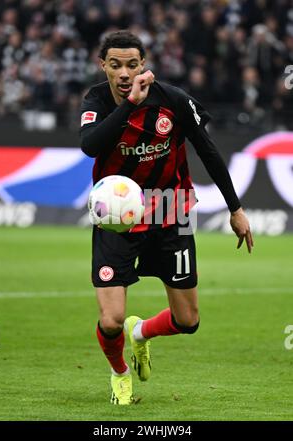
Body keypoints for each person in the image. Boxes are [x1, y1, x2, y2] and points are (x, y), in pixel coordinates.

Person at [80, 30, 253, 405]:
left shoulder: (173, 100)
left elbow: (207, 151)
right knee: (110, 321)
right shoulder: (96, 99)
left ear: (143, 65)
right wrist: (129, 105)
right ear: (103, 67)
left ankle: (140, 333)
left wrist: (235, 209)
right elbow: (89, 145)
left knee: (188, 321)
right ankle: (119, 373)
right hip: (118, 219)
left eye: (131, 64)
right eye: (115, 66)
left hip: (171, 212)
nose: (124, 73)